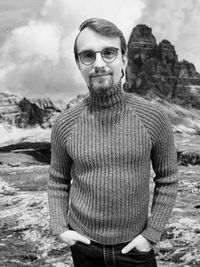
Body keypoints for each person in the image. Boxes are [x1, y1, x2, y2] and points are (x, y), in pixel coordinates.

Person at [48, 17, 178, 267]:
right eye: (87, 56)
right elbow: (57, 180)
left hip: (135, 251)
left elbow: (168, 179)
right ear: (79, 64)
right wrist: (60, 228)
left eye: (109, 53)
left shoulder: (153, 117)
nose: (98, 64)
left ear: (124, 59)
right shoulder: (65, 123)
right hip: (83, 248)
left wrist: (151, 236)